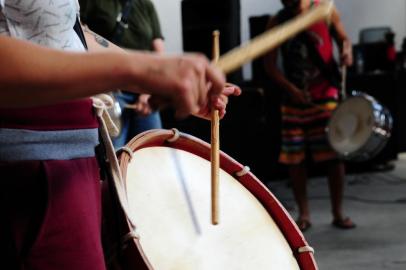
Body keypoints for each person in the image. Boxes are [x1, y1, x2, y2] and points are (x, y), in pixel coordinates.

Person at [0, 1, 241, 269]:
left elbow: (71, 34)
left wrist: (160, 75)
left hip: (72, 160)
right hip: (24, 170)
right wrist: (140, 69)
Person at [264, 0, 355, 231]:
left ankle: (338, 212)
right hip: (293, 99)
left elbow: (344, 39)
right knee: (295, 159)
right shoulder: (278, 20)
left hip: (326, 95)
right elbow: (270, 65)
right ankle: (304, 214)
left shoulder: (325, 10)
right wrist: (290, 89)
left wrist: (347, 51)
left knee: (333, 156)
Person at [79, 0, 165, 148]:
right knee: (115, 156)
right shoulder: (91, 3)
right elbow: (80, 36)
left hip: (144, 90)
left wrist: (150, 90)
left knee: (154, 150)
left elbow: (159, 52)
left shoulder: (146, 5)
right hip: (110, 93)